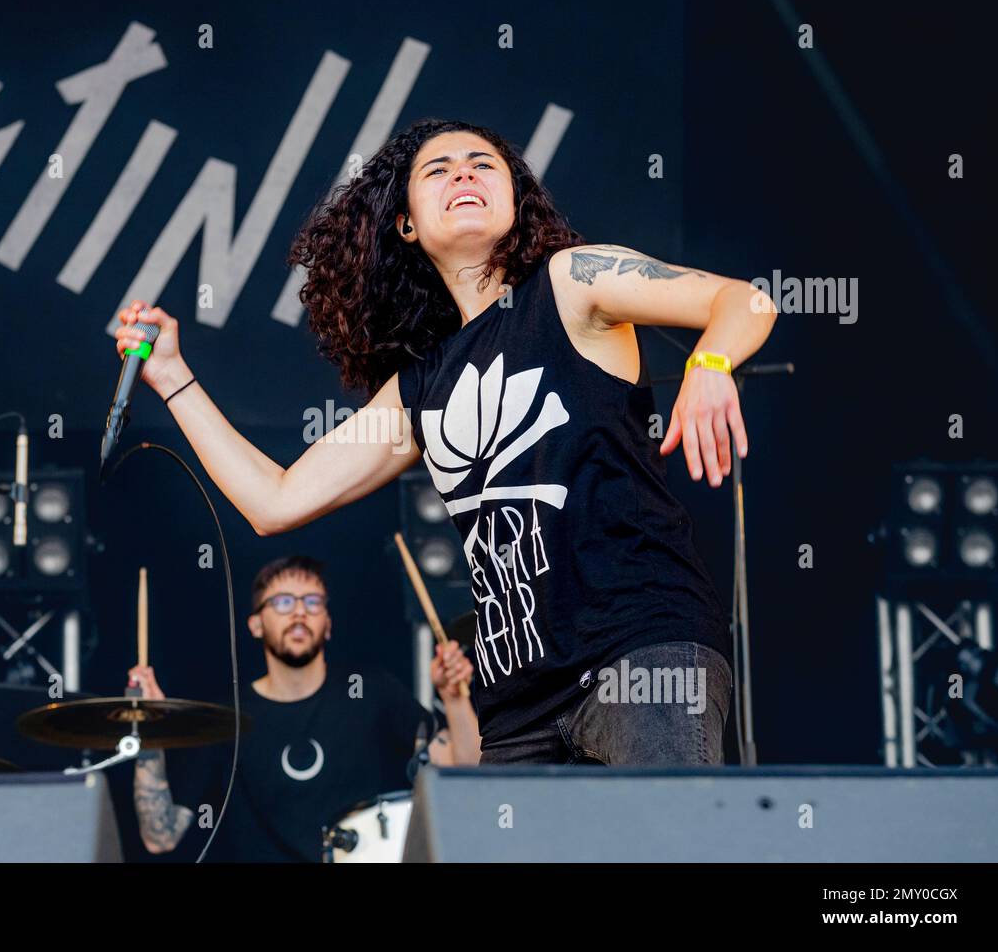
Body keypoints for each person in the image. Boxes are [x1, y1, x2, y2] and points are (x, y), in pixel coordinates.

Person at [113, 117, 777, 766]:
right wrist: (173, 377)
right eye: (438, 169)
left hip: (640, 647)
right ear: (406, 223)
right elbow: (275, 500)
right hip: (521, 701)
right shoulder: (420, 390)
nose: (463, 171)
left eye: (483, 164)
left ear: (515, 201)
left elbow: (745, 303)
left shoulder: (574, 282)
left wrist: (710, 365)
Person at [131, 554, 479, 861]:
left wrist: (454, 698)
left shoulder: (373, 691)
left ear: (327, 624)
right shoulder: (224, 720)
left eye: (313, 602)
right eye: (282, 602)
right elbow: (160, 838)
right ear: (255, 624)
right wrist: (149, 733)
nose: (299, 611)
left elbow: (467, 771)